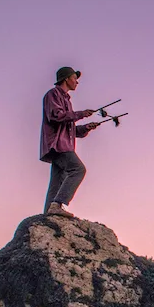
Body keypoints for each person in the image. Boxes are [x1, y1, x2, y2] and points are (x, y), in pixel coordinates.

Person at [40, 66, 99, 217]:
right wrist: (80, 114)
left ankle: (49, 215)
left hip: (61, 145)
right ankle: (58, 204)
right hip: (58, 145)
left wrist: (86, 127)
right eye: (74, 78)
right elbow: (56, 116)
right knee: (78, 169)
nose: (76, 82)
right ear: (66, 79)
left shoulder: (66, 100)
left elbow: (71, 129)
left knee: (56, 183)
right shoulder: (53, 94)